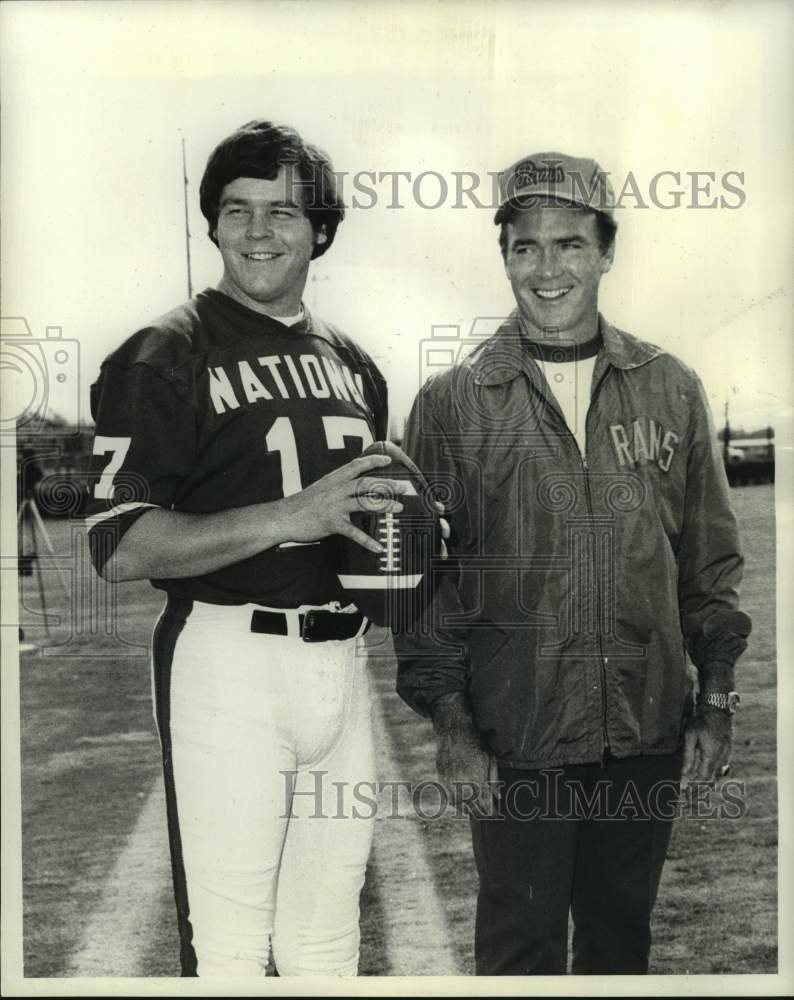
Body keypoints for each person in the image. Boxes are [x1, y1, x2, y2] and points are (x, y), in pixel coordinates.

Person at [394, 151, 751, 975]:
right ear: (505, 257)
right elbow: (424, 589)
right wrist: (451, 724)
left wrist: (717, 698)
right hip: (518, 736)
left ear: (605, 251)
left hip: (647, 727)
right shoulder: (453, 401)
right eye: (526, 247)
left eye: (569, 244)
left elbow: (709, 565)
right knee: (519, 951)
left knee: (620, 941)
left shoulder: (670, 386)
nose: (547, 269)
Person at [84, 120, 407, 977]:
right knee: (229, 952)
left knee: (328, 943)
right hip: (229, 663)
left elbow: (366, 526)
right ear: (213, 225)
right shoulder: (164, 352)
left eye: (283, 213)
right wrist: (288, 515)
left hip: (343, 670)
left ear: (321, 232)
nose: (258, 231)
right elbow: (120, 547)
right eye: (237, 211)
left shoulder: (356, 365)